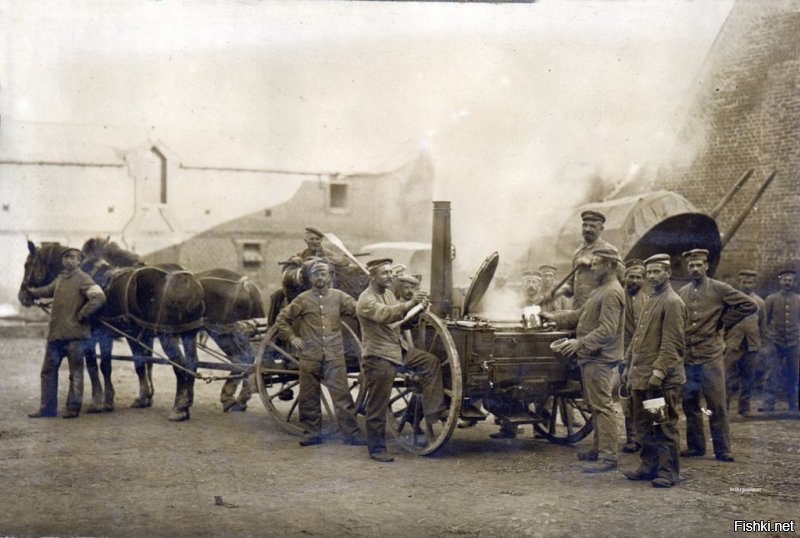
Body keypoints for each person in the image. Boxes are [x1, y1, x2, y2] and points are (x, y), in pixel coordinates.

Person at [540, 248, 625, 473]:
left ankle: (608, 457)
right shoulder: (601, 290)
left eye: (596, 264)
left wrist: (580, 343)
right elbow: (580, 316)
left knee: (603, 407)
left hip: (600, 359)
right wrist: (554, 318)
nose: (592, 268)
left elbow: (607, 330)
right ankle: (598, 450)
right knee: (596, 406)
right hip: (590, 357)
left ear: (609, 266)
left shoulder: (612, 293)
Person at [356, 258, 446, 462]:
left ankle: (433, 411)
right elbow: (387, 315)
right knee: (377, 405)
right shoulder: (365, 300)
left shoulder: (388, 293)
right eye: (384, 273)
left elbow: (400, 321)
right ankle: (377, 449)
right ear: (372, 276)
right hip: (378, 356)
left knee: (430, 362)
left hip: (398, 350)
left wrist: (417, 311)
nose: (389, 276)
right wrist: (411, 303)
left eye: (390, 272)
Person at [274, 260, 366, 447]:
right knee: (308, 396)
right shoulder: (302, 299)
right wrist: (292, 338)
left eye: (323, 274)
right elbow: (282, 319)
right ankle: (311, 433)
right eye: (316, 274)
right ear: (310, 278)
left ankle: (351, 434)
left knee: (342, 396)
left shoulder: (339, 297)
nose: (320, 277)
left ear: (330, 276)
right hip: (310, 355)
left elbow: (359, 311)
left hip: (334, 355)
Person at [678, 248, 757, 462]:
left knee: (716, 403)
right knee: (690, 403)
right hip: (689, 356)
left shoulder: (719, 288)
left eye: (699, 265)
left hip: (710, 355)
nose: (695, 269)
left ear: (707, 266)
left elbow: (748, 305)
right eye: (691, 265)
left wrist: (722, 321)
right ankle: (696, 447)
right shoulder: (682, 292)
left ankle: (722, 449)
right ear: (688, 267)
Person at [621, 253, 687, 488]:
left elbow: (672, 343)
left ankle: (668, 472)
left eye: (657, 271)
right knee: (645, 425)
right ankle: (648, 466)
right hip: (642, 377)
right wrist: (628, 365)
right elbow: (637, 339)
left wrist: (658, 373)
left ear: (668, 273)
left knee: (663, 425)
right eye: (649, 272)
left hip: (659, 381)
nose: (651, 276)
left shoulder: (672, 302)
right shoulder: (651, 300)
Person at [27, 247, 106, 419]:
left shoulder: (84, 279)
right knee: (47, 371)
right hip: (55, 336)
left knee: (75, 373)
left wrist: (82, 314)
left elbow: (99, 297)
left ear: (79, 261)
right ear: (62, 261)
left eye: (73, 257)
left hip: (75, 336)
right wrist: (32, 292)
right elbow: (47, 290)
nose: (69, 260)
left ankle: (72, 407)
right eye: (66, 257)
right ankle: (47, 408)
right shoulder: (61, 278)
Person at [724, 269, 765, 417]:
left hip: (752, 345)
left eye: (750, 282)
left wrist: (761, 344)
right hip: (733, 345)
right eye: (744, 282)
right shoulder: (731, 301)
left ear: (754, 283)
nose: (747, 285)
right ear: (739, 282)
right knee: (728, 378)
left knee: (748, 378)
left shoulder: (760, 302)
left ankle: (744, 408)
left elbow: (762, 325)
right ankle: (725, 408)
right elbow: (723, 323)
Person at [760, 269, 800, 413]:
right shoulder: (771, 299)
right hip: (775, 341)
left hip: (794, 342)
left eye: (790, 280)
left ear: (794, 282)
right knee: (772, 372)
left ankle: (794, 404)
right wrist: (766, 340)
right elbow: (764, 321)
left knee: (794, 373)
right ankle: (768, 403)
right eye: (784, 280)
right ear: (780, 281)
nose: (787, 282)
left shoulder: (799, 300)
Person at [562, 210, 619, 309]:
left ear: (601, 229)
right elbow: (571, 283)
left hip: (598, 310)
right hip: (578, 310)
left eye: (592, 226)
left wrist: (590, 263)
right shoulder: (577, 252)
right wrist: (561, 291)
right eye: (585, 225)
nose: (587, 229)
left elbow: (619, 277)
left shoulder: (609, 250)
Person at [621, 259, 648, 453]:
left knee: (651, 398)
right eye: (631, 276)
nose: (635, 281)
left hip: (646, 356)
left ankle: (652, 437)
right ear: (625, 277)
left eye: (639, 277)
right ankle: (632, 437)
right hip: (624, 353)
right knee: (627, 396)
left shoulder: (649, 300)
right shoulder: (618, 298)